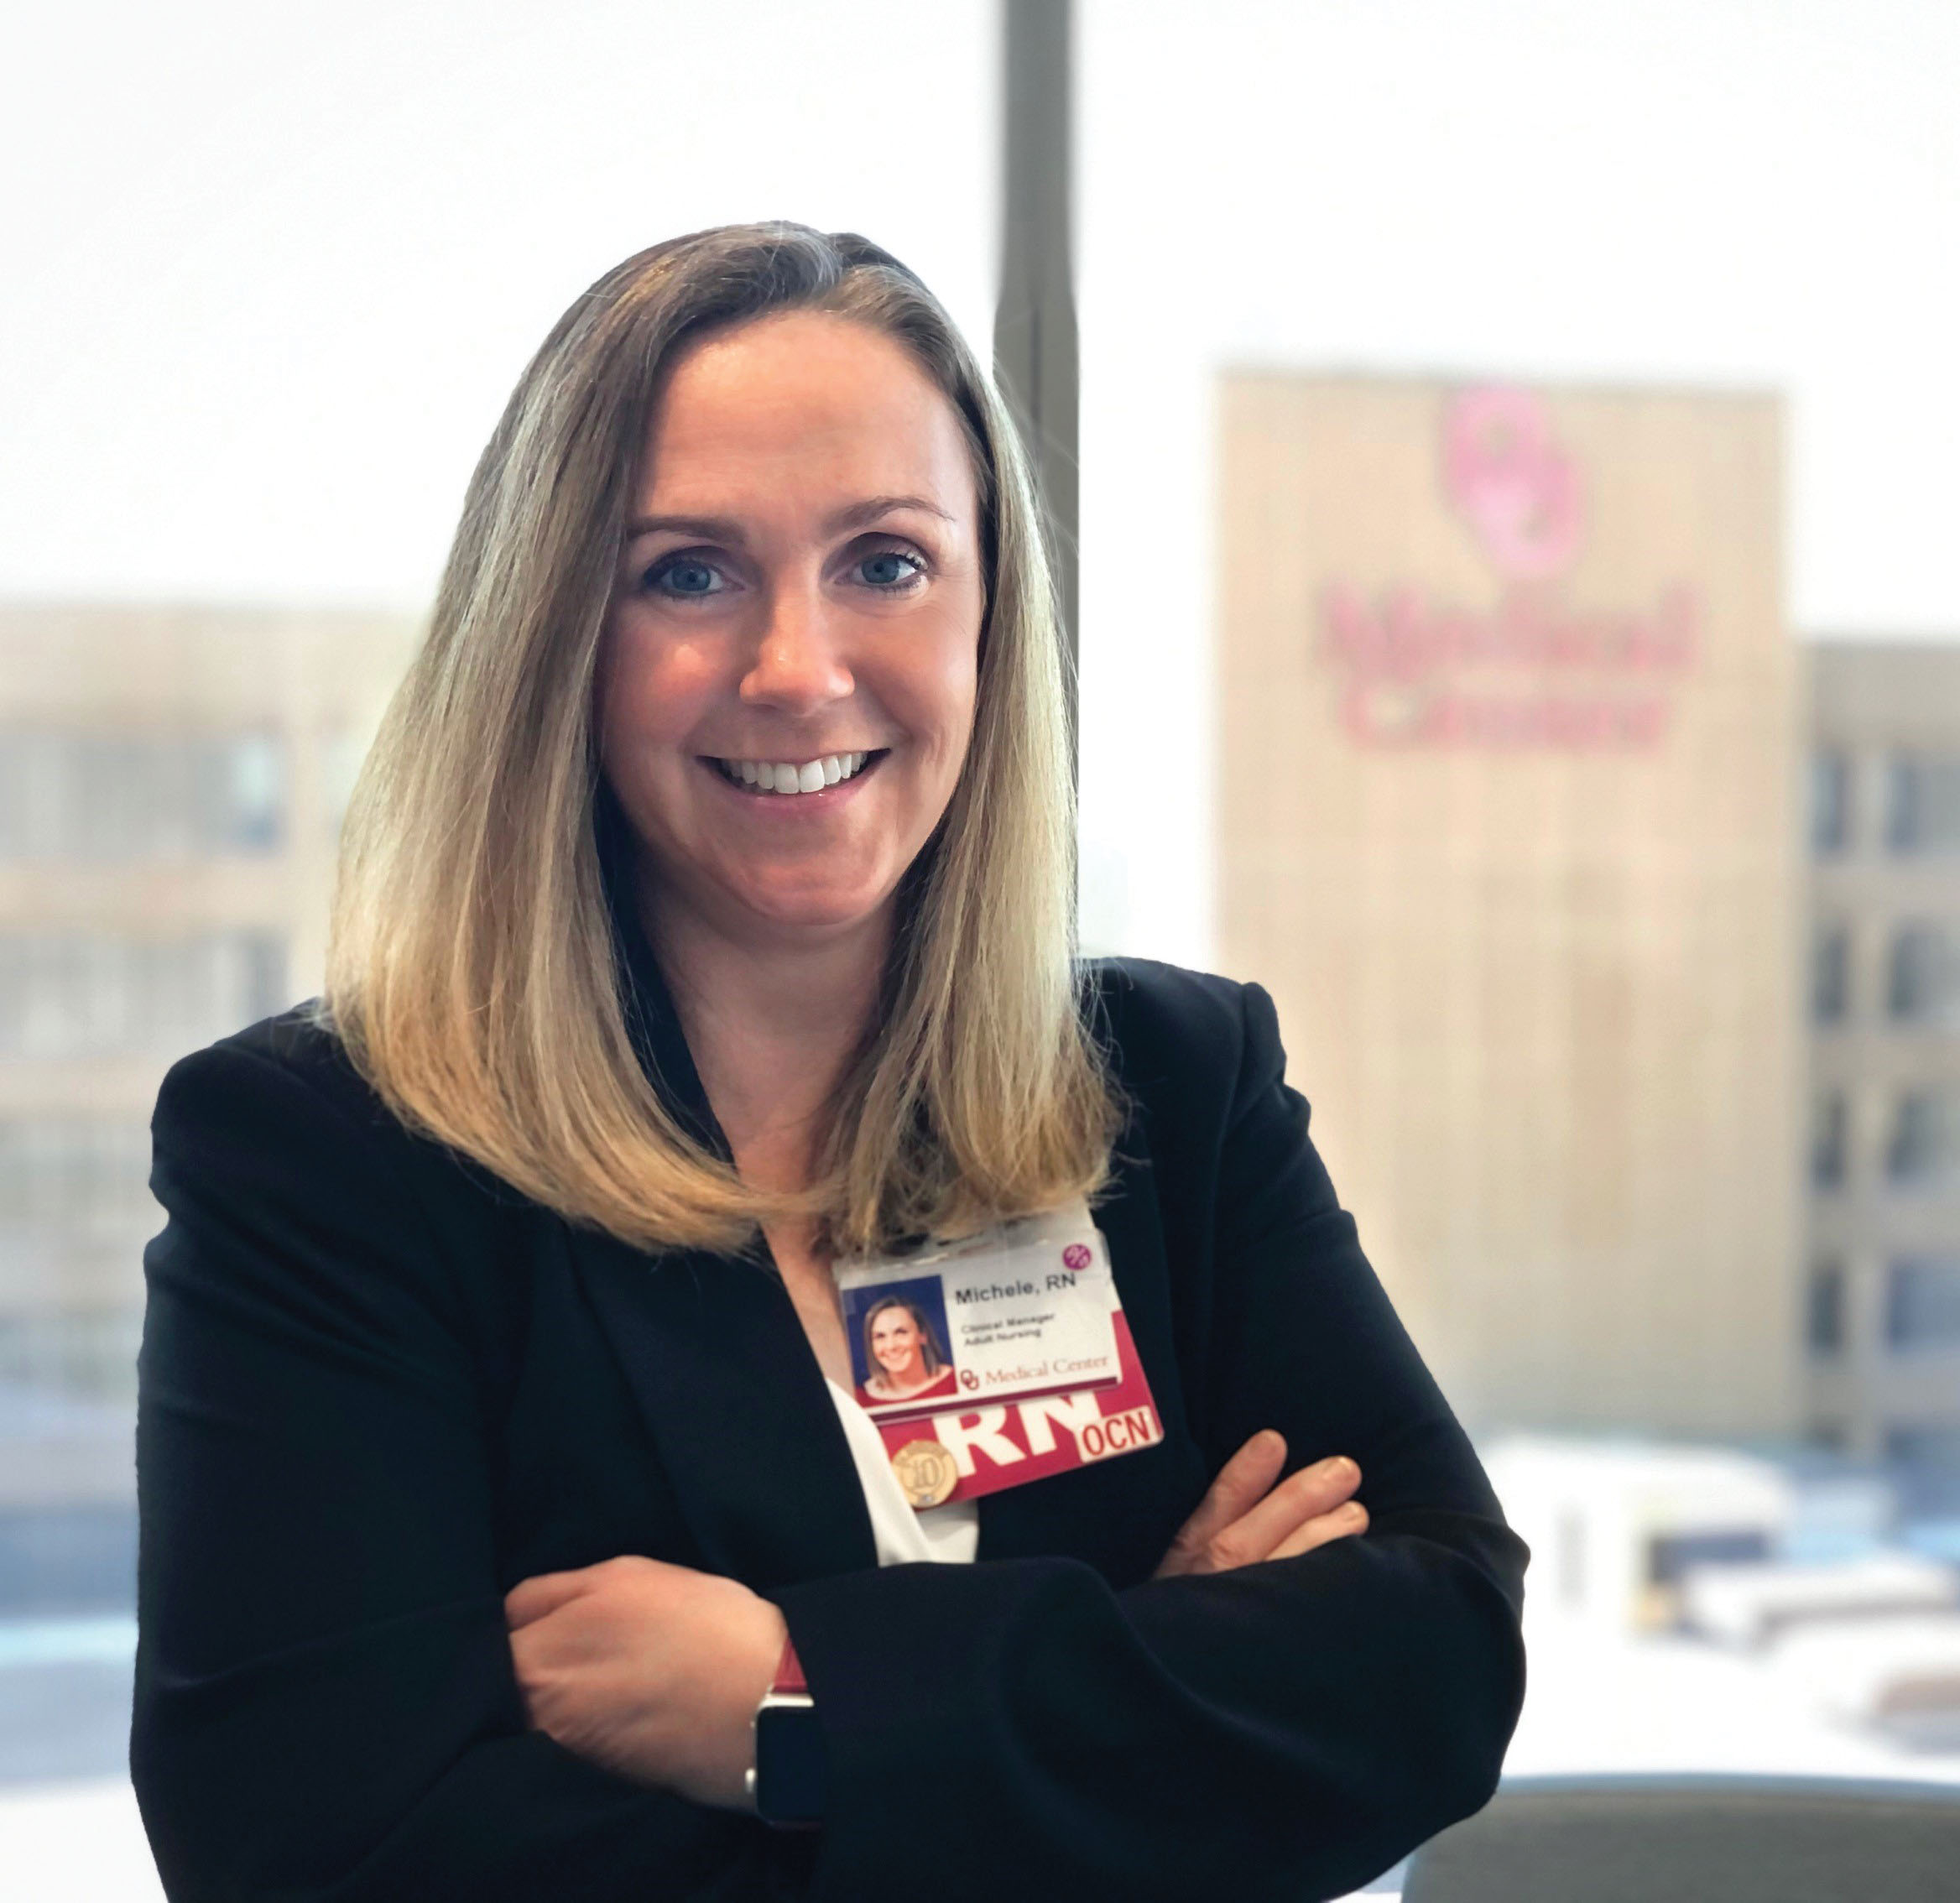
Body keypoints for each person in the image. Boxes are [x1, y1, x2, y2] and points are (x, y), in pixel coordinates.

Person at [131, 223, 1526, 1903]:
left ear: (992, 618)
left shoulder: (1179, 1088)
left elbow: (1433, 1667)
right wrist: (1150, 1683)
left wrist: (793, 1712)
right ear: (553, 636)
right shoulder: (330, 1161)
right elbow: (328, 1860)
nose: (799, 670)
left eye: (887, 562)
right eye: (689, 573)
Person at [854, 1295, 954, 1406]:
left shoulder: (957, 1380)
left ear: (923, 1335)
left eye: (901, 1332)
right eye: (880, 1336)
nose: (891, 1346)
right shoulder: (859, 1397)